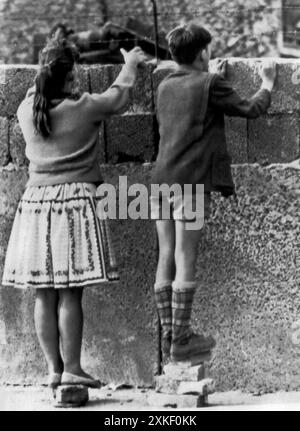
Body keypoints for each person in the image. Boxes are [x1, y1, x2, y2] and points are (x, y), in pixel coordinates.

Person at [2, 37, 146, 388]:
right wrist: (130, 64)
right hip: (76, 203)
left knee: (43, 292)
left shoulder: (26, 110)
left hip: (36, 204)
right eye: (72, 76)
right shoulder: (83, 107)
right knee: (70, 293)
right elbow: (117, 97)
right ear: (68, 78)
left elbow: (39, 94)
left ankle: (53, 370)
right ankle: (74, 367)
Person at [150, 22, 277, 363]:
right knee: (185, 258)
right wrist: (266, 83)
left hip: (159, 183)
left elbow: (191, 104)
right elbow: (250, 109)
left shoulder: (164, 85)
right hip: (190, 185)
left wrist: (213, 79)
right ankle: (182, 340)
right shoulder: (211, 83)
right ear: (203, 52)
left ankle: (168, 338)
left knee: (166, 256)